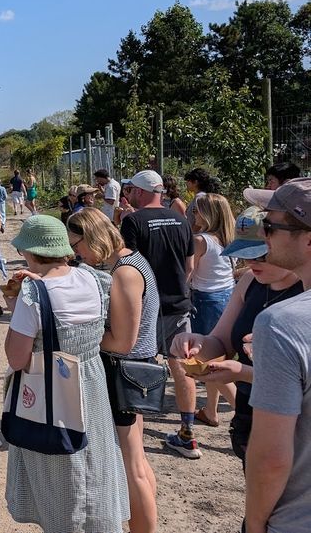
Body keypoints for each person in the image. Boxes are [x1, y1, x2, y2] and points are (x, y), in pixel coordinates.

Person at [4, 214, 130, 531]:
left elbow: (16, 358)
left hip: (52, 390)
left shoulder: (33, 295)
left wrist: (16, 301)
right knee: (94, 466)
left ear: (29, 253)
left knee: (60, 473)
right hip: (91, 382)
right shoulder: (95, 280)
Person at [171, 206, 302, 466]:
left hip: (294, 427)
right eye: (245, 255)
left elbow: (300, 381)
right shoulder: (249, 283)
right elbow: (221, 341)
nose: (250, 264)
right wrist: (197, 343)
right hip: (250, 416)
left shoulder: (303, 293)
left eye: (260, 255)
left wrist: (242, 372)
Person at [67, 208, 159, 533]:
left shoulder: (124, 272)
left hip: (125, 373)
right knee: (137, 461)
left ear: (92, 236)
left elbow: (122, 342)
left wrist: (79, 336)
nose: (77, 253)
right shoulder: (131, 262)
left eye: (77, 245)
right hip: (134, 373)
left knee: (130, 466)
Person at [244, 178, 311, 533]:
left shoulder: (281, 324)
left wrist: (253, 525)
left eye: (270, 226)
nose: (263, 235)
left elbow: (271, 459)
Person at [120, 169, 199, 458]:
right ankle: (188, 432)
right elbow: (189, 267)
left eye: (131, 191)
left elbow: (129, 267)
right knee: (181, 364)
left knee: (137, 363)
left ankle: (132, 439)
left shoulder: (133, 221)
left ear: (139, 192)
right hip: (179, 302)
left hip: (147, 306)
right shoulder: (181, 219)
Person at [188, 192, 237, 426]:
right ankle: (211, 410)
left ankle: (245, 411)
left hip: (206, 301)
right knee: (216, 358)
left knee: (207, 363)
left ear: (208, 214)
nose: (193, 213)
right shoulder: (228, 238)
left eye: (197, 210)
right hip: (227, 297)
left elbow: (188, 273)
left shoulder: (201, 240)